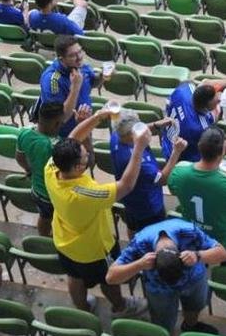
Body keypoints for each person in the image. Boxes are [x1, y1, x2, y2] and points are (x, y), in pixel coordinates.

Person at [45, 107, 151, 318]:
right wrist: (139, 148)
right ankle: (120, 306)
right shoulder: (84, 194)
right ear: (76, 168)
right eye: (85, 159)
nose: (87, 155)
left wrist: (97, 117)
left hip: (64, 240)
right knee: (108, 279)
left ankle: (82, 307)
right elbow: (126, 186)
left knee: (74, 276)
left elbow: (74, 137)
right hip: (93, 249)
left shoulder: (52, 168)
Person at [109, 218, 226, 334]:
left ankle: (190, 326)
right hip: (160, 290)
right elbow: (110, 277)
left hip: (193, 280)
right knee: (163, 324)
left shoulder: (189, 231)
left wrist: (198, 255)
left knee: (194, 307)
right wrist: (139, 265)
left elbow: (223, 254)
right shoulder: (139, 242)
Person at [168, 126, 226, 280]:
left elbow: (173, 189)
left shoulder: (179, 171)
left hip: (194, 235)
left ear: (199, 147)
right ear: (222, 153)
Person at [110, 109, 188, 236]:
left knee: (132, 226)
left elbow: (130, 129)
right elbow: (162, 179)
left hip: (129, 200)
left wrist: (156, 125)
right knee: (154, 236)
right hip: (148, 207)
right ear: (133, 135)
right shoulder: (142, 164)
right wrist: (176, 152)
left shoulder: (116, 135)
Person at [164, 79, 226, 162]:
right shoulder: (202, 128)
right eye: (216, 102)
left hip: (167, 142)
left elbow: (193, 83)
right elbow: (217, 156)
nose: (219, 100)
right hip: (179, 160)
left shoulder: (184, 90)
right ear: (206, 107)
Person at [17, 102, 63, 237]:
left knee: (44, 216)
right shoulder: (54, 146)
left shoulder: (24, 133)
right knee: (56, 218)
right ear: (57, 124)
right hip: (52, 195)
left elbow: (19, 157)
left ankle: (43, 237)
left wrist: (29, 169)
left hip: (36, 190)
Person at [39, 36, 96, 137]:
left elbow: (91, 83)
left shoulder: (80, 66)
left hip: (83, 125)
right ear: (61, 59)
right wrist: (75, 88)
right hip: (66, 135)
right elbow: (62, 117)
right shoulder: (52, 80)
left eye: (80, 51)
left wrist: (102, 78)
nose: (79, 57)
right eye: (72, 55)